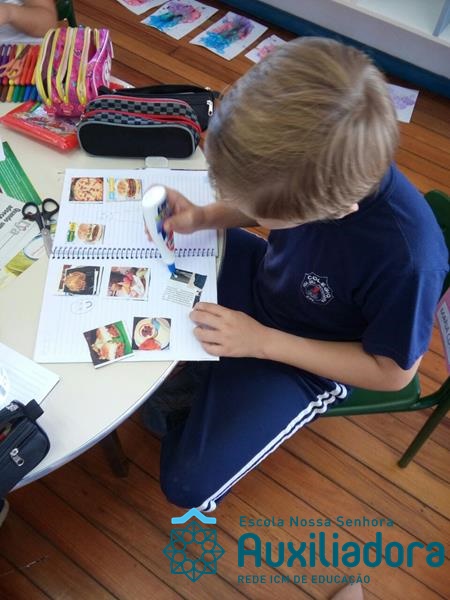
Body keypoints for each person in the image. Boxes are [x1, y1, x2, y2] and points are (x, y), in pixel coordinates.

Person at [142, 37, 448, 511]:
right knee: (155, 271)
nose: (244, 208)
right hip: (267, 282)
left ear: (331, 211)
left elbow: (393, 373)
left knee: (188, 484)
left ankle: (208, 390)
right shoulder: (317, 177)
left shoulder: (409, 260)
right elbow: (262, 204)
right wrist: (203, 217)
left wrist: (260, 342)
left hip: (310, 358)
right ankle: (212, 380)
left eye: (260, 210)